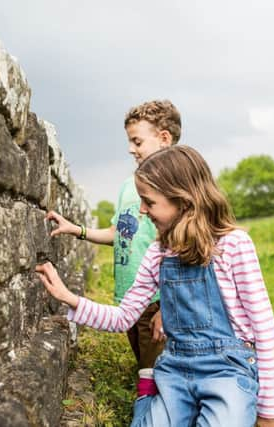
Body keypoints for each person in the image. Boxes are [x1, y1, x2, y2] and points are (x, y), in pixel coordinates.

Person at [36, 146, 274, 427]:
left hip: (227, 370)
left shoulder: (233, 245)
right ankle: (148, 395)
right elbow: (123, 318)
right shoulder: (157, 254)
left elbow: (264, 328)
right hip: (175, 368)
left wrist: (268, 410)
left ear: (183, 200)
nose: (142, 210)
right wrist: (69, 298)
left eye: (149, 202)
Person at [45, 101, 182, 385]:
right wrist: (78, 230)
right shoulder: (127, 186)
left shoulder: (175, 187)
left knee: (157, 372)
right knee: (144, 362)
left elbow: (185, 251)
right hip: (131, 298)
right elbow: (118, 233)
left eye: (137, 141)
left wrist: (169, 308)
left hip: (159, 299)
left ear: (164, 138)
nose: (131, 148)